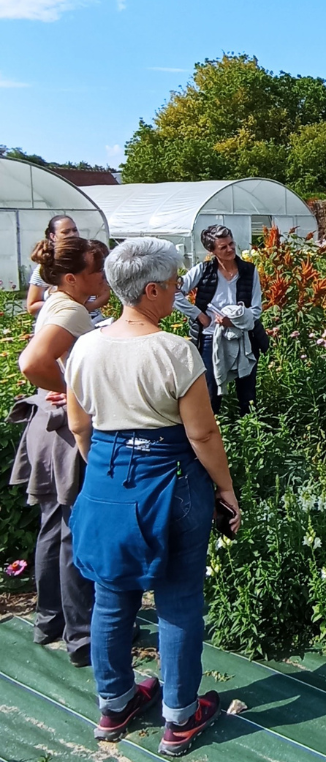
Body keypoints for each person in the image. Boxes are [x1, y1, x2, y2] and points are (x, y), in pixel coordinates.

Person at [65, 237, 241, 756]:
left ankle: (115, 703)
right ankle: (180, 718)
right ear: (151, 289)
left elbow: (79, 426)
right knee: (179, 596)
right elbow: (203, 436)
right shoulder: (173, 350)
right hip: (169, 478)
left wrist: (104, 467)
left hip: (104, 477)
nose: (179, 292)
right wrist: (226, 491)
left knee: (111, 594)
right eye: (172, 285)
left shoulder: (85, 347)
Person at [15, 234, 109, 667]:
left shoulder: (59, 300)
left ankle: (49, 619)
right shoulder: (71, 310)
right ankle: (83, 637)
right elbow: (32, 362)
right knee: (75, 529)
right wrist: (73, 389)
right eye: (96, 269)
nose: (103, 274)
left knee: (53, 525)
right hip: (65, 433)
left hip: (43, 426)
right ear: (72, 277)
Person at [174, 225, 264, 416]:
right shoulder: (203, 270)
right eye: (223, 247)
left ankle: (249, 428)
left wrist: (235, 321)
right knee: (211, 389)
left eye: (231, 244)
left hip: (243, 336)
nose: (230, 249)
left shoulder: (249, 271)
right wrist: (198, 315)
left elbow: (256, 309)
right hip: (210, 336)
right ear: (212, 251)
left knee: (247, 390)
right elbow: (175, 293)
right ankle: (212, 430)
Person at [27, 215, 110, 323]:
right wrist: (67, 307)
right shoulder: (47, 266)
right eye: (65, 232)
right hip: (62, 320)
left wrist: (86, 308)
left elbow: (104, 291)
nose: (72, 234)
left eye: (74, 230)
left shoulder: (87, 260)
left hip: (94, 320)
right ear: (53, 236)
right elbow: (32, 306)